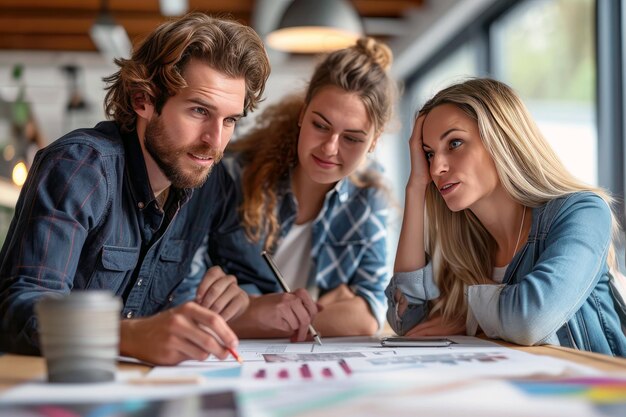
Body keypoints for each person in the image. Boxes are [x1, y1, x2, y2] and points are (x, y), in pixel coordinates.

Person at [0, 13, 270, 365]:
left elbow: (254, 281)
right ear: (143, 100)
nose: (214, 142)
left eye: (230, 119)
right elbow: (18, 310)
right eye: (199, 111)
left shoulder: (208, 180)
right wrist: (127, 336)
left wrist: (241, 297)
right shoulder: (81, 167)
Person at [386, 78, 626, 356]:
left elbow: (531, 319)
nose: (436, 167)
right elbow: (408, 321)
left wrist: (467, 315)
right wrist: (415, 187)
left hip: (599, 393)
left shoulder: (583, 212)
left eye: (454, 143)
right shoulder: (465, 242)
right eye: (428, 154)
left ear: (501, 141)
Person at [177, 38, 396, 341]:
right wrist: (328, 311)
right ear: (303, 114)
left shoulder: (368, 195)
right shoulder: (232, 175)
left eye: (352, 138)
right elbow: (184, 303)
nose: (330, 148)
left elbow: (369, 314)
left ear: (374, 140)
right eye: (320, 125)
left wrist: (253, 312)